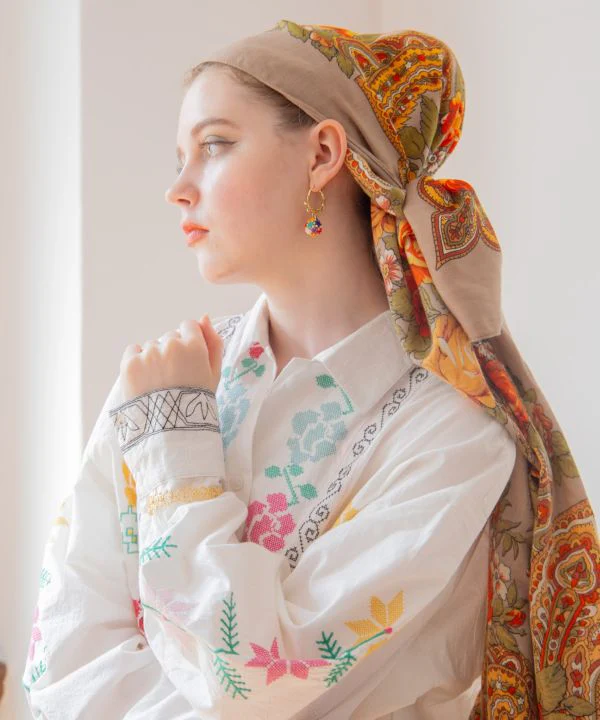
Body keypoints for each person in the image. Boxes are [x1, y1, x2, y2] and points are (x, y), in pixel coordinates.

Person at [22, 20, 599, 720]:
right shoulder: (168, 379)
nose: (178, 188)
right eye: (179, 157)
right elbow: (61, 667)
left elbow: (257, 683)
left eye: (214, 145)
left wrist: (176, 452)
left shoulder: (453, 433)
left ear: (323, 153)